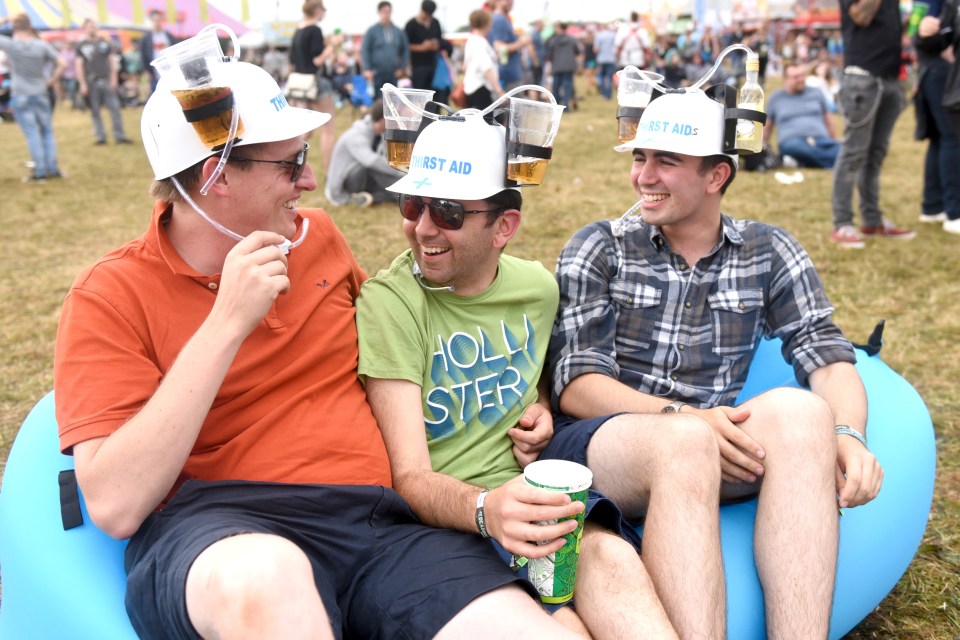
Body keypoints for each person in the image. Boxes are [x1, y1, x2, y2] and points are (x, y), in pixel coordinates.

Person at [53, 34, 580, 639]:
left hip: (377, 523)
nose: (308, 182)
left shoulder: (318, 237)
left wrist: (533, 403)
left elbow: (412, 340)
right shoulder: (108, 295)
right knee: (270, 579)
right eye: (291, 162)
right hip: (225, 527)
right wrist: (227, 322)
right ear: (216, 174)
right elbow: (115, 505)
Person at [544, 88, 884, 638]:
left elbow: (826, 354)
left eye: (666, 161)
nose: (643, 176)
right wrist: (685, 417)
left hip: (714, 443)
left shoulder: (769, 250)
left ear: (716, 176)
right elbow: (579, 386)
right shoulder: (600, 246)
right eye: (639, 157)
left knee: (803, 415)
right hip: (606, 443)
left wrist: (849, 433)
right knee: (687, 443)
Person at [356, 102, 677, 639]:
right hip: (445, 527)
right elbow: (407, 477)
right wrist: (488, 510)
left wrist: (543, 408)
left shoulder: (537, 289)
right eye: (412, 205)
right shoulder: (390, 302)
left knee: (615, 562)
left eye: (449, 212)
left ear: (504, 226)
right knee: (569, 628)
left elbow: (544, 375)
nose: (424, 228)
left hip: (533, 504)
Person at [829, 0, 915, 248]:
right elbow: (860, 16)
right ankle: (842, 223)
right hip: (861, 78)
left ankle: (872, 220)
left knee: (875, 153)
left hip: (889, 78)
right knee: (854, 153)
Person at [0, 13, 64, 182]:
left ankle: (40, 171)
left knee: (31, 133)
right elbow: (62, 63)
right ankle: (53, 168)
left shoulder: (12, 45)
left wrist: (4, 20)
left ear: (14, 28)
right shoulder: (41, 45)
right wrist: (51, 81)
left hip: (21, 93)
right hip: (40, 91)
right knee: (47, 131)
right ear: (30, 27)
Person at [915, 1, 960, 234]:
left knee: (940, 138)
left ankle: (932, 206)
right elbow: (920, 30)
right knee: (952, 138)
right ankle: (955, 212)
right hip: (941, 72)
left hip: (932, 70)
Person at [288, 0, 342, 173]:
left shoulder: (298, 31)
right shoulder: (315, 30)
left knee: (306, 130)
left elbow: (293, 60)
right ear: (317, 10)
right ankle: (330, 172)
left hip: (300, 85)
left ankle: (287, 159)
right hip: (317, 83)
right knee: (328, 129)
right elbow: (317, 61)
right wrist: (333, 45)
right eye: (323, 9)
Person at [324, 98, 402, 207]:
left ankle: (371, 198)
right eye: (393, 119)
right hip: (346, 182)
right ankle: (404, 194)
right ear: (383, 119)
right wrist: (400, 172)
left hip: (363, 179)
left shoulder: (379, 134)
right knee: (375, 167)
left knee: (385, 183)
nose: (396, 123)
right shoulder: (356, 135)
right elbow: (371, 162)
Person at [764, 61, 841, 168]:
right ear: (785, 79)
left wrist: (832, 141)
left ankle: (801, 162)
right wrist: (764, 149)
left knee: (844, 148)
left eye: (802, 75)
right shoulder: (776, 98)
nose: (801, 80)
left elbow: (829, 120)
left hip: (821, 140)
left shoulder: (816, 93)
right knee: (797, 149)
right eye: (796, 77)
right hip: (793, 142)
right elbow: (767, 127)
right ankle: (836, 162)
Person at [76, 18, 132, 145]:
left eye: (93, 26)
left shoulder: (104, 43)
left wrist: (114, 78)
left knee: (115, 108)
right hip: (91, 81)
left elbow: (111, 61)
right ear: (84, 29)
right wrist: (82, 82)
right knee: (95, 110)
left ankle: (120, 136)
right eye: (89, 26)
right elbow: (79, 65)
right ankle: (101, 137)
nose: (92, 28)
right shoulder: (81, 46)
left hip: (106, 79)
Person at [405, 0, 452, 105]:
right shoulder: (411, 24)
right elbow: (405, 46)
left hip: (434, 66)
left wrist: (436, 44)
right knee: (421, 98)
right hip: (418, 67)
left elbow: (440, 39)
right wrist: (422, 47)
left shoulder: (435, 22)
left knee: (436, 97)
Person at [361, 1, 410, 99]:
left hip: (394, 72)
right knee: (379, 100)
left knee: (393, 100)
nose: (386, 14)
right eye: (384, 11)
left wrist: (402, 68)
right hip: (377, 72)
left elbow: (405, 50)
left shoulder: (398, 31)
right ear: (379, 12)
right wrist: (367, 69)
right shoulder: (372, 31)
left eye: (388, 11)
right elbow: (365, 50)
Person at [463, 8, 503, 110]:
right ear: (486, 23)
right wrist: (498, 89)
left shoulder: (471, 40)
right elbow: (486, 67)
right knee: (491, 121)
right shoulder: (479, 42)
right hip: (480, 87)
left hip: (472, 86)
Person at [488, 0, 531, 92]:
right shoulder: (499, 20)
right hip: (508, 77)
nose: (510, 2)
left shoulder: (501, 19)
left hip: (508, 75)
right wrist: (522, 42)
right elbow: (499, 48)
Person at [138, 9, 177, 97]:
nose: (157, 22)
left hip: (170, 72)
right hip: (154, 73)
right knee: (156, 94)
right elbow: (142, 56)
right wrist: (146, 71)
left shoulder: (168, 36)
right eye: (154, 20)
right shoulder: (146, 39)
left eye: (158, 20)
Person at [546, 22, 580, 110]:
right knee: (567, 87)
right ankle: (566, 106)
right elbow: (577, 51)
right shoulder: (572, 39)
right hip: (568, 66)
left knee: (556, 87)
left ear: (560, 28)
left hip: (557, 67)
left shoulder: (553, 40)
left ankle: (556, 107)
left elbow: (549, 55)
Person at [594, 22, 617, 100]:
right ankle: (609, 94)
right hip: (611, 59)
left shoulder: (599, 36)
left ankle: (603, 93)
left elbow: (596, 49)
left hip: (601, 59)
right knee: (610, 77)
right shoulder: (613, 35)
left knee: (601, 77)